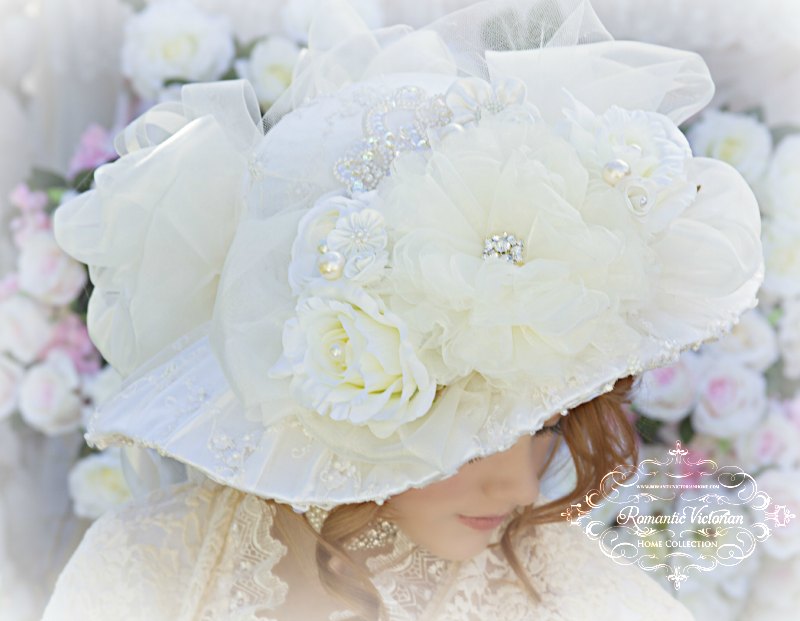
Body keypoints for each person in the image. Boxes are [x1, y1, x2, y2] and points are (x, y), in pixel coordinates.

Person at [42, 0, 763, 619]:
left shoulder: (580, 595)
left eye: (540, 422)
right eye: (471, 427)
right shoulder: (148, 569)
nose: (516, 484)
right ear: (343, 372)